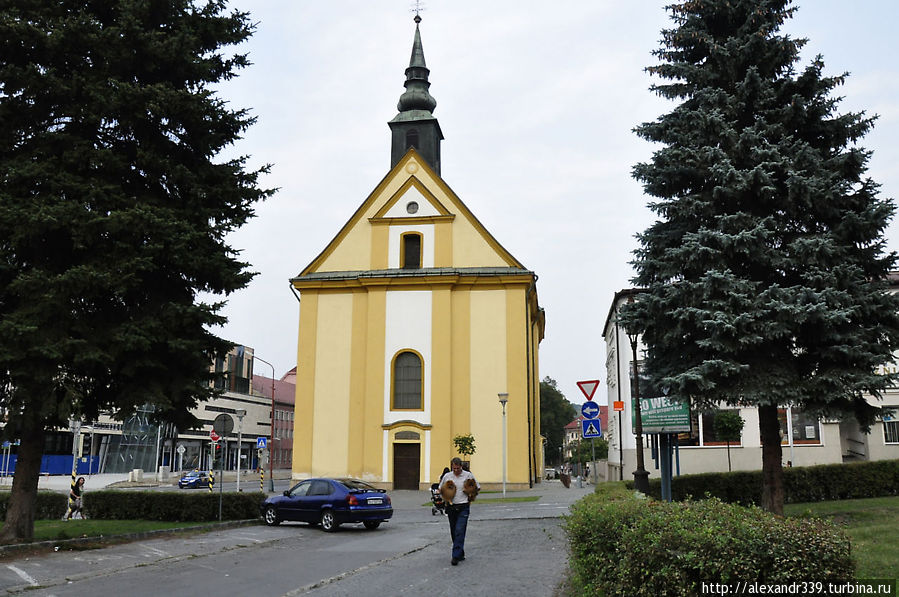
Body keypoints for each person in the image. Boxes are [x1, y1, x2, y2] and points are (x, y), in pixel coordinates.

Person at [438, 457, 480, 566]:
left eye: (458, 468)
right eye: (454, 468)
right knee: (453, 530)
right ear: (452, 466)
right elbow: (440, 488)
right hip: (451, 506)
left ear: (461, 466)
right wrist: (445, 494)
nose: (456, 470)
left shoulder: (468, 475)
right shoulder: (447, 476)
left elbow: (477, 487)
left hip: (464, 506)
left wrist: (470, 492)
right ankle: (460, 552)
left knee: (460, 530)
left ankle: (455, 556)